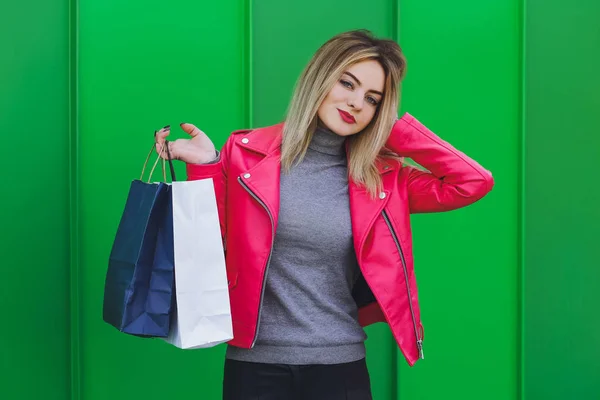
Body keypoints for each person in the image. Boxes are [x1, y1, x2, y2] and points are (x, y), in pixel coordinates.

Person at [154, 29, 494, 400]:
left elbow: (472, 182)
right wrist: (206, 164)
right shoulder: (246, 155)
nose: (356, 103)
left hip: (339, 366)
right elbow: (211, 243)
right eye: (347, 83)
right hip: (254, 365)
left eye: (373, 99)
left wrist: (393, 129)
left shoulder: (384, 178)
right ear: (320, 79)